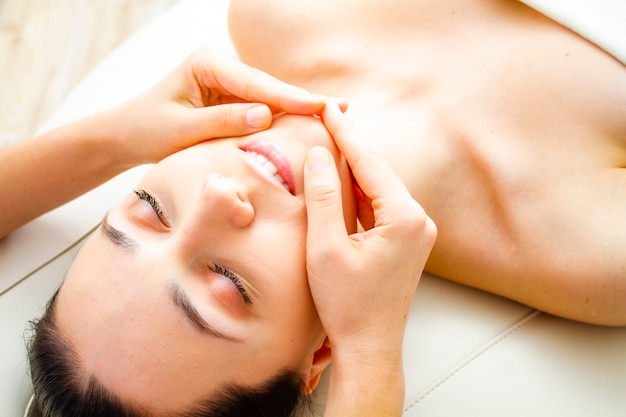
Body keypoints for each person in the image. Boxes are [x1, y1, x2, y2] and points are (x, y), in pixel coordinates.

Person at [5, 46, 434, 416]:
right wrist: (367, 353)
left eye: (150, 210)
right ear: (321, 350)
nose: (216, 194)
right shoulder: (502, 234)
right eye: (229, 284)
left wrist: (117, 138)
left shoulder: (268, 17)